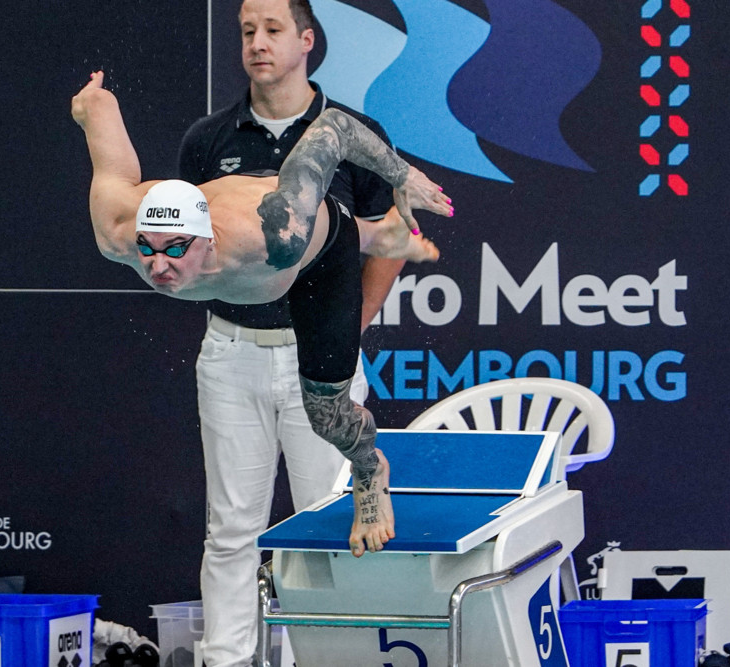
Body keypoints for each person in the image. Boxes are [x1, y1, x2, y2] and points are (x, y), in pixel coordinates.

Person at [70, 55, 450, 590]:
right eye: (148, 250)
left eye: (176, 250)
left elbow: (336, 129)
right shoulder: (117, 232)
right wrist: (95, 106)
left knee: (328, 415)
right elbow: (113, 165)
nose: (158, 268)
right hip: (249, 280)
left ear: (205, 240)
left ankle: (370, 469)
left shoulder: (275, 233)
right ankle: (381, 235)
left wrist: (403, 176)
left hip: (318, 253)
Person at [174, 1, 447, 664]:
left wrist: (344, 326)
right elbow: (187, 247)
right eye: (246, 32)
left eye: (272, 30)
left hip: (318, 362)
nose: (257, 44)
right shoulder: (206, 143)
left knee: (327, 525)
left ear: (307, 40)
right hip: (232, 352)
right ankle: (226, 658)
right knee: (232, 528)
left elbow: (391, 240)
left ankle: (331, 656)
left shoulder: (354, 133)